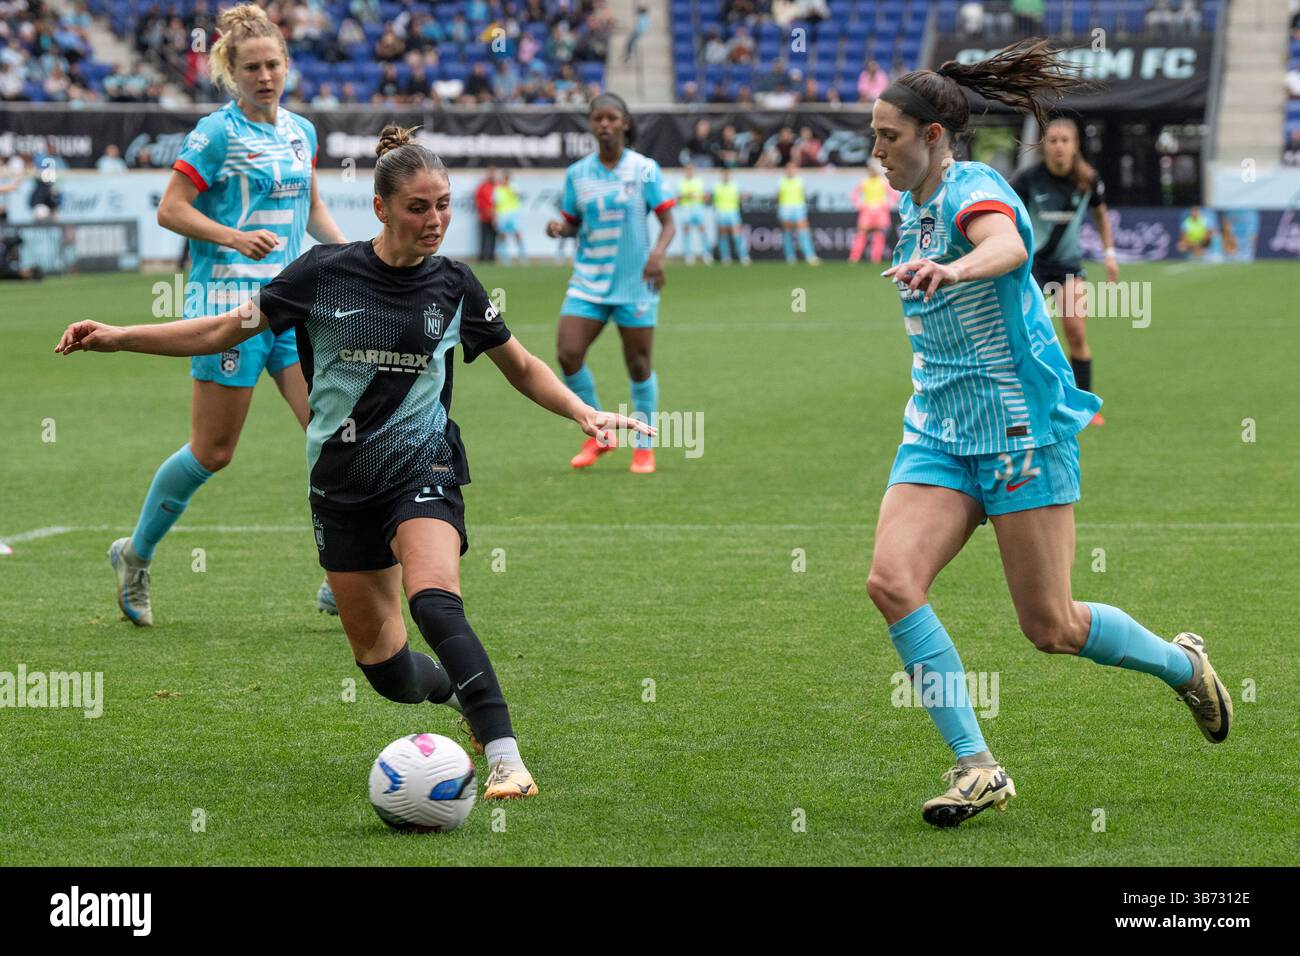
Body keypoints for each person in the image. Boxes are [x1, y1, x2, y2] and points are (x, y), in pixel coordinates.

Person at [56, 124, 654, 801]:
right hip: (340, 486)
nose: (435, 221)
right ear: (381, 207)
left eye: (444, 205)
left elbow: (521, 365)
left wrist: (582, 412)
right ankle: (455, 695)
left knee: (434, 599)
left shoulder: (455, 284)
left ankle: (505, 756)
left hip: (422, 468)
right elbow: (224, 329)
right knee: (389, 673)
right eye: (418, 207)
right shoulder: (322, 273)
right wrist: (117, 337)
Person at [868, 39, 1231, 828]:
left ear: (933, 136)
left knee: (1052, 627)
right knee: (891, 583)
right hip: (937, 433)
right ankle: (977, 767)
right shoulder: (912, 206)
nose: (876, 150)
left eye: (888, 135)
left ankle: (1182, 664)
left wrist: (959, 268)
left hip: (1017, 432)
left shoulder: (975, 188)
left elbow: (1005, 244)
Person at [107, 3, 347, 627]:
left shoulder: (302, 131)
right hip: (229, 311)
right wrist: (233, 237)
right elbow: (170, 209)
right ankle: (135, 554)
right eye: (251, 67)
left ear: (286, 66)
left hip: (294, 307)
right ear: (231, 72)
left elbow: (312, 211)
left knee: (333, 437)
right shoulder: (216, 134)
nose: (264, 75)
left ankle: (341, 571)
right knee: (213, 452)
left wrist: (351, 257)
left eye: (273, 64)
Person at [545, 93, 676, 474]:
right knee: (568, 353)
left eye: (611, 118)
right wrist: (560, 228)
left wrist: (656, 256)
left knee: (638, 364)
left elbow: (669, 222)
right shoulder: (577, 174)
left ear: (625, 123)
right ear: (591, 124)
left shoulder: (645, 169)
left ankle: (645, 445)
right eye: (597, 118)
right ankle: (600, 434)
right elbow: (572, 222)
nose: (604, 124)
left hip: (635, 283)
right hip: (588, 280)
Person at [1009, 117, 1116, 426]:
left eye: (1065, 140)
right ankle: (1026, 401)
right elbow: (1007, 211)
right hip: (1032, 266)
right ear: (1045, 145)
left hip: (1068, 266)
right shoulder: (1028, 178)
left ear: (1075, 145)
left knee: (1076, 331)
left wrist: (1109, 254)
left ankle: (1086, 406)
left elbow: (1101, 215)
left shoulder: (1088, 179)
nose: (1058, 146)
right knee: (1025, 333)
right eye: (1053, 140)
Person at [848, 161, 895, 264]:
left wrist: (887, 205)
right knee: (861, 233)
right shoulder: (864, 182)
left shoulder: (882, 182)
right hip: (867, 211)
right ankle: (854, 257)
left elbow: (893, 195)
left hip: (880, 212)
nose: (872, 172)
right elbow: (854, 195)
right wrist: (859, 205)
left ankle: (876, 258)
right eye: (870, 170)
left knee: (879, 235)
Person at [776, 161, 820, 264]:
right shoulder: (781, 181)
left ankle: (809, 255)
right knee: (787, 232)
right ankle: (790, 256)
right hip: (785, 208)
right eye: (789, 168)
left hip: (798, 208)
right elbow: (778, 196)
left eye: (793, 168)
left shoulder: (800, 181)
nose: (791, 171)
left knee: (803, 232)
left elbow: (804, 195)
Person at [711, 166, 750, 265]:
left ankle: (743, 256)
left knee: (737, 235)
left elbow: (741, 196)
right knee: (723, 236)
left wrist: (744, 196)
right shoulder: (716, 186)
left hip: (733, 212)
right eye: (724, 174)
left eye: (727, 174)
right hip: (721, 212)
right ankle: (726, 257)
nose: (725, 176)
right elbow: (711, 199)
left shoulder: (734, 186)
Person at [676, 162, 711, 266]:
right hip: (686, 209)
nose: (689, 172)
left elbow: (704, 196)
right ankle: (688, 255)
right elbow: (678, 197)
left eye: (691, 169)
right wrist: (688, 196)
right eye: (687, 169)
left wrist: (702, 196)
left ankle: (706, 253)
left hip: (697, 208)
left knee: (702, 229)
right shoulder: (681, 182)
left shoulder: (699, 181)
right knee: (686, 231)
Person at [493, 170, 526, 264]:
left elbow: (517, 194)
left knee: (517, 234)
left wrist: (509, 185)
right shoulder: (497, 189)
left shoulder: (513, 186)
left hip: (513, 214)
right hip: (502, 215)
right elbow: (495, 204)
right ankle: (505, 258)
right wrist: (495, 217)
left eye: (505, 178)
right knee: (502, 236)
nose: (503, 180)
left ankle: (522, 255)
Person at [474, 165, 497, 262]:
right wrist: (485, 211)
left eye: (493, 173)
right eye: (490, 173)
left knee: (493, 237)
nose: (491, 175)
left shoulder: (498, 186)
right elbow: (478, 201)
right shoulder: (482, 186)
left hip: (495, 217)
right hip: (484, 217)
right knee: (483, 237)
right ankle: (483, 256)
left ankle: (491, 256)